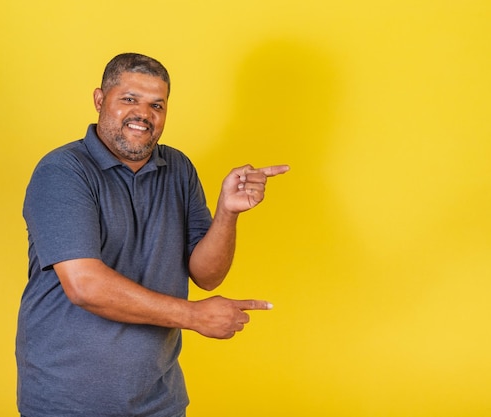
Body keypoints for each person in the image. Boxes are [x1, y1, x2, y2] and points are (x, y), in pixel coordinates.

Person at [16, 52, 289, 417]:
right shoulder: (63, 172)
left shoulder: (178, 168)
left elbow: (207, 275)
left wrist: (228, 212)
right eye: (129, 99)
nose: (143, 114)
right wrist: (195, 317)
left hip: (159, 401)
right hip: (68, 402)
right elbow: (85, 286)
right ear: (100, 100)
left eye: (156, 105)